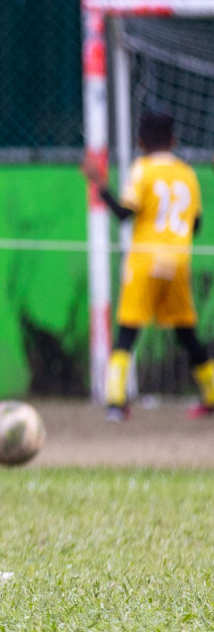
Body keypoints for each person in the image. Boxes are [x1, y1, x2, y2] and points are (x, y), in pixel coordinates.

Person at [83, 111, 213, 420]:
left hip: (144, 261)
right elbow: (195, 224)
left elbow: (124, 213)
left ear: (140, 142)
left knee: (128, 331)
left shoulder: (141, 170)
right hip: (178, 262)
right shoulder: (187, 174)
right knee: (186, 332)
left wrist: (99, 185)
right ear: (174, 140)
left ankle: (115, 402)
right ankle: (211, 395)